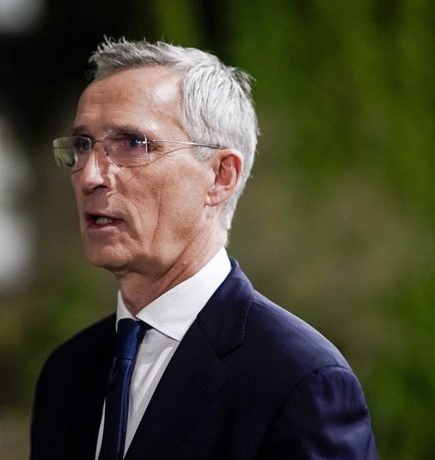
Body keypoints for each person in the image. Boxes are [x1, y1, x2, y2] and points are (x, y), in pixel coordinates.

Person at [30, 38, 377, 460]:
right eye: (83, 145)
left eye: (133, 143)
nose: (90, 176)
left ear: (220, 176)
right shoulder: (67, 372)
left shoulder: (299, 379)